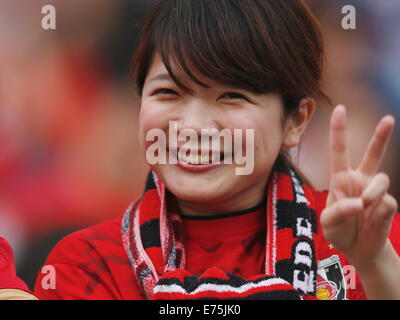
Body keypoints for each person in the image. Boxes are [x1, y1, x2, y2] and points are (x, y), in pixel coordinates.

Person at [34, 0, 400, 300]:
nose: (194, 126)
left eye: (232, 96)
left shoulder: (369, 242)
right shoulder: (86, 265)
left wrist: (376, 264)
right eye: (168, 93)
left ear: (296, 121)